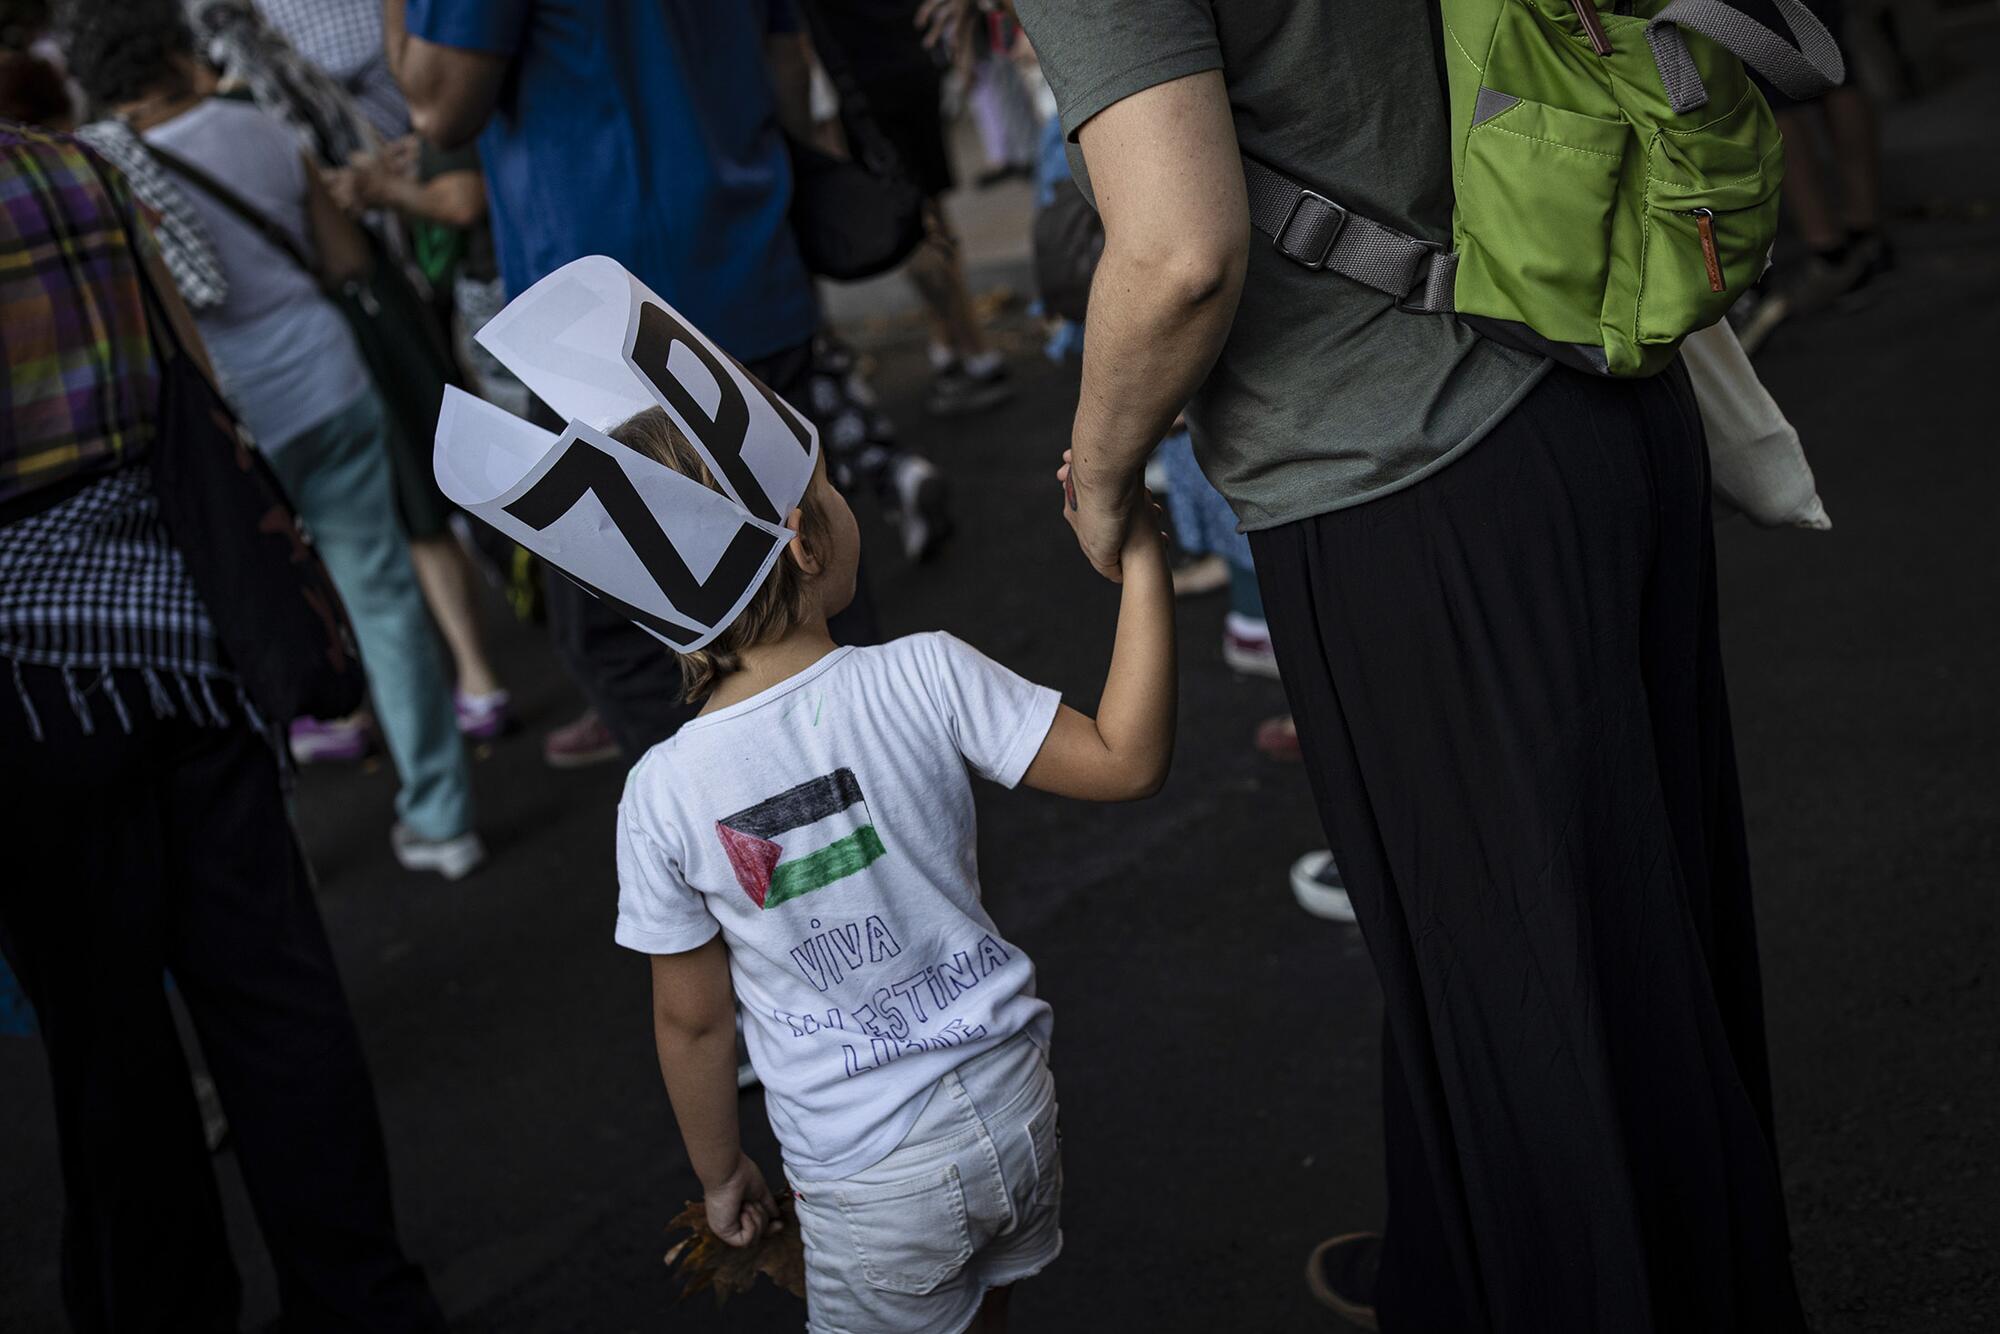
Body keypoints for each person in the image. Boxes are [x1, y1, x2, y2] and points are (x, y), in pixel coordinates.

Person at [1016, 3, 1812, 1331]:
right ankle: (1460, 1266)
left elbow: (1180, 254)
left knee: (1546, 1002)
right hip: (1592, 366)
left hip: (1404, 482)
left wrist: (1100, 475)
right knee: (1621, 942)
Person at [0, 120, 445, 1334]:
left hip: (31, 689)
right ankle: (364, 1300)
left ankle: (170, 1307)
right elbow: (190, 373)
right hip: (191, 640)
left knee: (111, 1050)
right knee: (278, 1000)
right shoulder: (69, 164)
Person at [608, 406, 1174, 1334]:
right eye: (834, 485)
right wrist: (1141, 549)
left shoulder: (662, 794)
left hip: (868, 1178)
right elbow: (1128, 757)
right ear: (803, 542)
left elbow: (694, 1020)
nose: (847, 500)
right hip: (1016, 1107)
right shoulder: (926, 674)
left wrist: (721, 1175)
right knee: (986, 1306)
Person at [388, 0, 875, 765]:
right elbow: (787, 57)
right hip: (743, 249)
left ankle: (753, 841)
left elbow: (436, 105)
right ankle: (873, 796)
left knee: (628, 633)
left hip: (597, 328)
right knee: (804, 559)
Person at [67, 4, 484, 878]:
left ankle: (267, 844)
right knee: (381, 597)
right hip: (326, 384)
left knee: (235, 626)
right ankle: (443, 820)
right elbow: (347, 263)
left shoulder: (97, 172)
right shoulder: (257, 124)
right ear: (179, 53)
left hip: (219, 429)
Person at [808, 0, 1015, 417]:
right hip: (908, 67)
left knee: (912, 226)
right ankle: (953, 340)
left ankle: (969, 345)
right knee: (929, 215)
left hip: (868, 89)